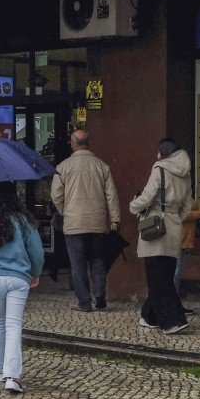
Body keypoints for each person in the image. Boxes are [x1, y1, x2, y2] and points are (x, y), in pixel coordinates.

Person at [0, 182, 44, 395]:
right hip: (19, 279)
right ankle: (12, 377)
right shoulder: (23, 221)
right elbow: (38, 252)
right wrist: (35, 273)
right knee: (14, 325)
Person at [51, 129, 121, 312]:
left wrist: (65, 212)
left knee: (78, 264)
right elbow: (111, 196)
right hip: (97, 222)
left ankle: (84, 302)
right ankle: (99, 295)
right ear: (88, 143)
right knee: (97, 261)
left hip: (73, 224)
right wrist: (115, 220)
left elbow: (56, 195)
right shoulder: (102, 166)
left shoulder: (63, 167)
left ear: (73, 144)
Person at [130, 137, 192, 334]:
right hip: (174, 226)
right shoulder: (186, 173)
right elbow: (187, 206)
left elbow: (148, 196)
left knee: (158, 277)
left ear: (163, 152)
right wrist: (175, 218)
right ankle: (149, 317)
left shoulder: (160, 168)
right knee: (164, 273)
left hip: (156, 226)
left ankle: (173, 320)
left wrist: (134, 205)